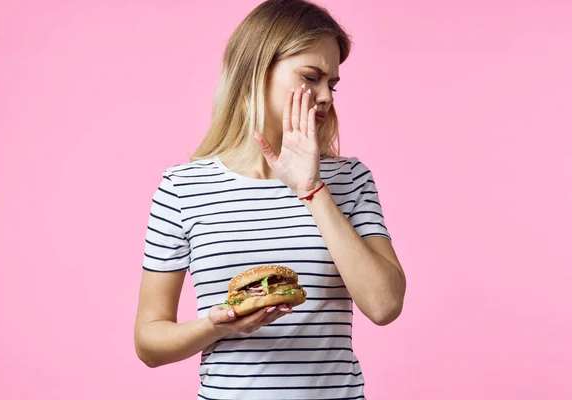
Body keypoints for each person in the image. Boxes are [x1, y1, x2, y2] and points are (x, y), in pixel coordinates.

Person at [134, 0, 407, 398]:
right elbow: (149, 342)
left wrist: (311, 189)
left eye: (331, 84)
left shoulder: (350, 179)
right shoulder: (183, 188)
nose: (325, 96)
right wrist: (217, 325)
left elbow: (384, 306)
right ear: (256, 71)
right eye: (311, 77)